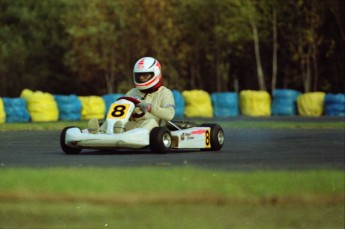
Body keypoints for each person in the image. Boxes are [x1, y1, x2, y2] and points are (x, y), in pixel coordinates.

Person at [88, 57, 175, 133]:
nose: (141, 78)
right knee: (112, 119)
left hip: (152, 128)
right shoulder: (133, 92)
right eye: (139, 75)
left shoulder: (164, 93)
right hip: (131, 124)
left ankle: (122, 135)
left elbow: (169, 114)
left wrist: (150, 107)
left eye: (145, 75)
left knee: (150, 122)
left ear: (156, 74)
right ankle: (100, 132)